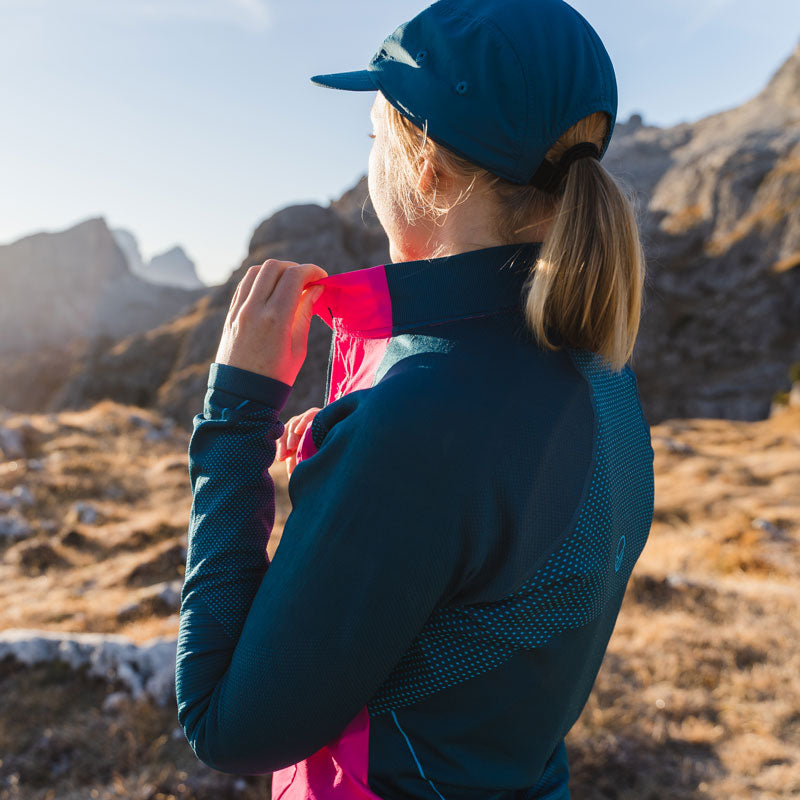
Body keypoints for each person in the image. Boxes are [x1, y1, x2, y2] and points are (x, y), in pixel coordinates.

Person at [174, 1, 655, 798]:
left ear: (424, 166)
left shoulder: (422, 422)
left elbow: (228, 726)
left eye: (374, 139)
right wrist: (359, 455)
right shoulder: (604, 378)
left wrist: (235, 414)